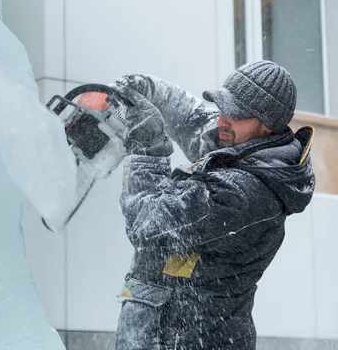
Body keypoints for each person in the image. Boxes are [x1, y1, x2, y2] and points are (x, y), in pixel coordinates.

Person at [110, 60, 315, 349]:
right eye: (222, 108)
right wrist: (147, 90)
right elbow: (190, 118)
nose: (221, 120)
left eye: (234, 114)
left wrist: (148, 151)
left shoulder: (243, 194)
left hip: (188, 341)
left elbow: (147, 224)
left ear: (266, 125)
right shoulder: (240, 145)